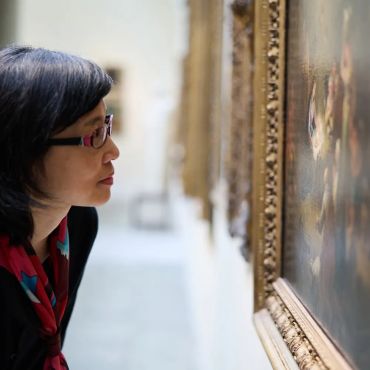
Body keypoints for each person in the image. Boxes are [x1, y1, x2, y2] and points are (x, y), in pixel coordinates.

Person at [0, 45, 120, 370]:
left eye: (106, 127)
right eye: (94, 134)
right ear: (27, 146)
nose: (113, 150)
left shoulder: (78, 222)